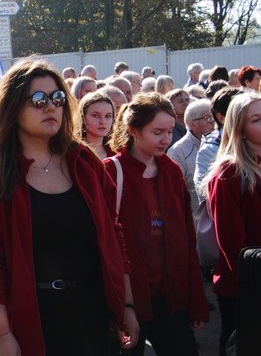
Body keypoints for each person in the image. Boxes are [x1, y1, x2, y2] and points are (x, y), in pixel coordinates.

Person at [0, 59, 137, 355]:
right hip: (30, 321)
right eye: (38, 100)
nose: (51, 107)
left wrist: (127, 305)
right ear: (13, 108)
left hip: (92, 315)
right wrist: (1, 334)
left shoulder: (84, 163)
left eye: (57, 98)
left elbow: (113, 235)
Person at [105, 92, 209, 355]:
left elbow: (187, 238)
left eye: (169, 131)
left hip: (172, 297)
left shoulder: (172, 171)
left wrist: (195, 301)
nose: (166, 139)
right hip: (132, 299)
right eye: (157, 132)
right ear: (134, 130)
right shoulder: (111, 171)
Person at [203, 92, 261, 356]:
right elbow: (231, 243)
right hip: (245, 284)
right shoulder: (228, 173)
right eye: (257, 119)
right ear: (240, 128)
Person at [167, 99, 215, 221]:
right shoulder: (179, 151)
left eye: (213, 116)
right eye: (208, 117)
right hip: (196, 220)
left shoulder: (218, 144)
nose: (213, 122)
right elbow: (175, 193)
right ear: (192, 124)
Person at [79, 91, 116, 159]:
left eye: (108, 116)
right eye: (95, 115)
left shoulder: (116, 152)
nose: (103, 122)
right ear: (83, 117)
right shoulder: (75, 152)